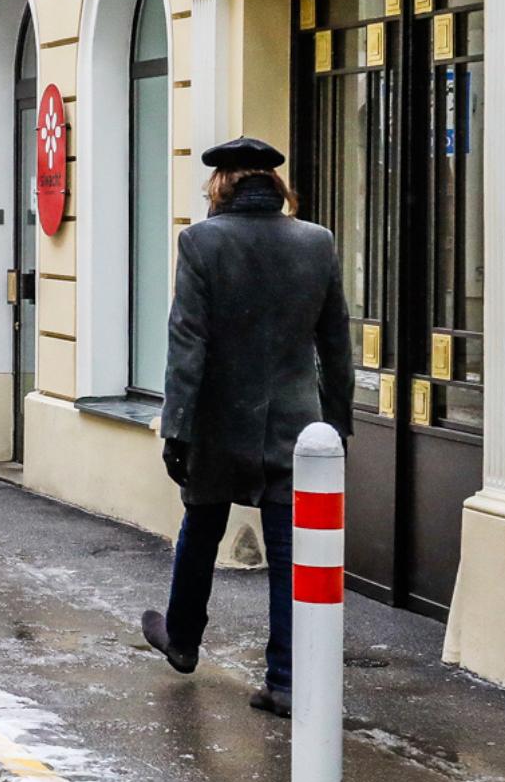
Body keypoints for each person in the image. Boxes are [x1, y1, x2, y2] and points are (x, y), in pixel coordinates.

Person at [138, 137, 352, 719]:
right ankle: (285, 680)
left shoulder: (201, 242)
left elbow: (188, 343)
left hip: (216, 422)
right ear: (274, 186)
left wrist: (176, 427)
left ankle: (182, 640)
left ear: (221, 184)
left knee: (201, 528)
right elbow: (336, 344)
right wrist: (336, 428)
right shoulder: (317, 241)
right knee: (290, 553)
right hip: (295, 424)